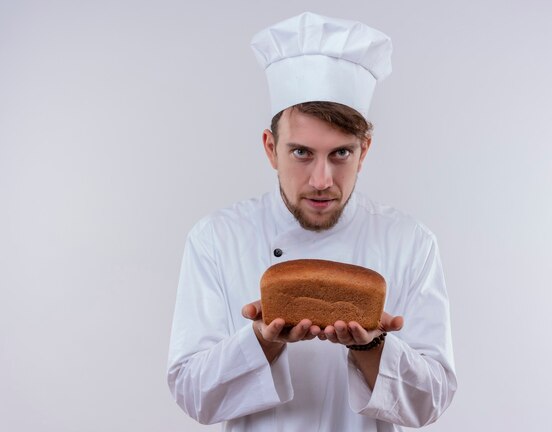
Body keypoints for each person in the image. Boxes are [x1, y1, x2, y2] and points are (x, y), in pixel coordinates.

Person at [167, 12, 457, 431]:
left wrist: (374, 345)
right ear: (271, 148)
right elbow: (194, 396)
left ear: (365, 150)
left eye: (341, 153)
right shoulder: (216, 238)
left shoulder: (410, 242)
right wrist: (262, 342)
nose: (322, 181)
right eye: (302, 152)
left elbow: (430, 403)